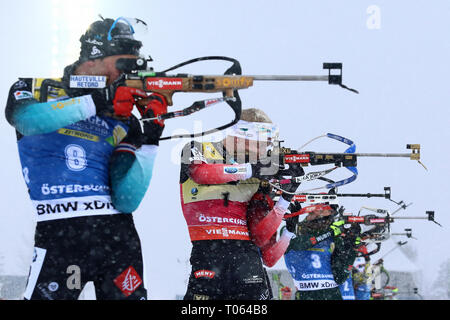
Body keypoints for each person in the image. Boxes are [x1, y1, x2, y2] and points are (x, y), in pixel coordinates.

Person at [5, 17, 167, 300]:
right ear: (93, 58)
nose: (127, 74)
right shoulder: (38, 88)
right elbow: (26, 121)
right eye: (123, 64)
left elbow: (128, 199)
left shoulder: (125, 118)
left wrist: (151, 138)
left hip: (116, 235)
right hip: (61, 232)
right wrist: (97, 100)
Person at [179, 108, 302, 300]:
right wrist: (252, 169)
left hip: (246, 263)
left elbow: (263, 246)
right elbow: (199, 173)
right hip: (209, 258)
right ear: (243, 134)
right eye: (265, 140)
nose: (268, 147)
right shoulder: (197, 147)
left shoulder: (261, 176)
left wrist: (284, 201)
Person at [283, 204, 360, 300]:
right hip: (306, 294)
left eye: (331, 212)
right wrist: (330, 232)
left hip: (331, 293)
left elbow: (340, 277)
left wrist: (352, 248)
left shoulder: (332, 237)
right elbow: (298, 245)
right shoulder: (293, 230)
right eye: (327, 210)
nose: (329, 215)